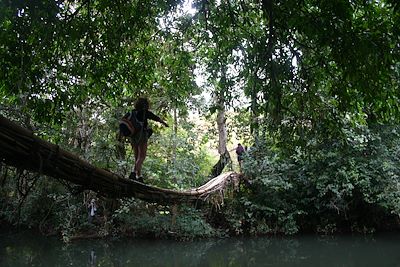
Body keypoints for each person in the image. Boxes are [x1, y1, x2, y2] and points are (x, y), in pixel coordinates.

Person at [127, 97, 168, 182]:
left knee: (137, 157)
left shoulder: (132, 112)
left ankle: (139, 176)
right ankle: (133, 172)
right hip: (141, 134)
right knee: (142, 156)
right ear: (145, 105)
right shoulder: (145, 112)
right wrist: (164, 123)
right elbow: (156, 118)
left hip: (133, 136)